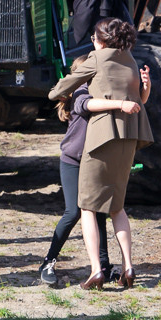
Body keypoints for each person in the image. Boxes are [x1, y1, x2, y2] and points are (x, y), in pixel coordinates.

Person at [48, 17, 153, 290]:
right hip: (129, 136)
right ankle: (128, 266)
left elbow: (59, 91)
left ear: (102, 40)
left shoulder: (97, 58)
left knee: (86, 207)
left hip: (103, 137)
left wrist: (59, 91)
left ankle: (96, 270)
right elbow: (139, 99)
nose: (93, 42)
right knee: (116, 206)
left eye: (94, 38)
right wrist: (143, 88)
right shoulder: (129, 58)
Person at [39, 53, 118, 287]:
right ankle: (48, 261)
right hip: (73, 160)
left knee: (99, 212)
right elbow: (87, 105)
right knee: (73, 212)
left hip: (93, 161)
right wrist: (119, 103)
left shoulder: (95, 90)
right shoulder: (82, 92)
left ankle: (103, 266)